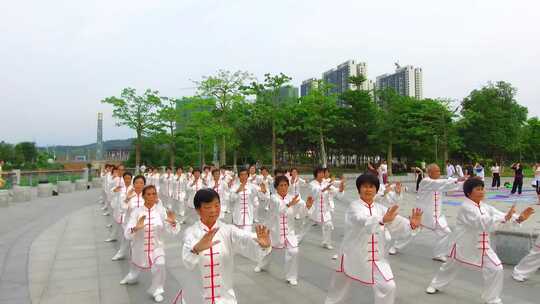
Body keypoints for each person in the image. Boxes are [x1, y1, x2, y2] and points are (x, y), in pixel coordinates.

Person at [426, 178, 535, 304]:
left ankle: (492, 299)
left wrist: (518, 219)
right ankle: (436, 284)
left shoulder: (485, 207)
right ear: (468, 193)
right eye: (478, 189)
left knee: (497, 268)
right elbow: (481, 222)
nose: (482, 191)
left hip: (482, 246)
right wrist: (505, 218)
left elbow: (499, 216)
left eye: (482, 189)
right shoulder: (466, 207)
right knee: (449, 267)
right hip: (463, 245)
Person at [324, 173, 422, 304]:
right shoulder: (354, 207)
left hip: (376, 258)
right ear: (359, 189)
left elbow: (396, 222)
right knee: (339, 288)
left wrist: (412, 224)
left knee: (388, 287)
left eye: (371, 186)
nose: (368, 189)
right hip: (353, 254)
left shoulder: (381, 208)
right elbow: (361, 220)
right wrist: (381, 220)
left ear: (376, 190)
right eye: (365, 186)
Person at [181, 189, 271, 304]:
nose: (213, 210)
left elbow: (245, 238)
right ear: (198, 210)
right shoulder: (191, 232)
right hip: (197, 297)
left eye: (217, 205)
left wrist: (263, 245)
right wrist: (197, 249)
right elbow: (187, 262)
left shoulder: (228, 230)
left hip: (224, 297)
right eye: (208, 207)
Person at [120, 185, 180, 303]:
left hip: (157, 246)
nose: (152, 196)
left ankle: (157, 290)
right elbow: (128, 233)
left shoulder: (161, 211)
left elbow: (171, 229)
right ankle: (131, 277)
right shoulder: (137, 212)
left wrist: (173, 223)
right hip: (140, 247)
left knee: (160, 264)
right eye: (148, 194)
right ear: (143, 196)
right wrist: (136, 228)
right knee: (136, 266)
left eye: (154, 194)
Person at [253, 175, 314, 285]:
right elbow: (278, 210)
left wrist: (308, 206)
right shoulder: (273, 198)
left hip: (289, 232)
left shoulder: (293, 198)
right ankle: (262, 265)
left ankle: (291, 276)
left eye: (286, 185)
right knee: (270, 251)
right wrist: (289, 204)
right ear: (276, 187)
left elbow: (302, 212)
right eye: (281, 185)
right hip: (274, 230)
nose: (284, 187)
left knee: (294, 251)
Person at [409, 164, 466, 262]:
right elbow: (440, 184)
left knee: (445, 232)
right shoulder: (425, 181)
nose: (439, 173)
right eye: (437, 171)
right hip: (422, 214)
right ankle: (396, 245)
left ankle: (439, 254)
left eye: (440, 171)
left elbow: (450, 186)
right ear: (430, 172)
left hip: (436, 215)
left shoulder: (439, 183)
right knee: (409, 232)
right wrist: (456, 180)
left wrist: (467, 182)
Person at [300, 167, 344, 250]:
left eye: (323, 173)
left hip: (325, 209)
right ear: (316, 174)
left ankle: (326, 242)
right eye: (319, 173)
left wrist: (341, 189)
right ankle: (297, 239)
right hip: (314, 209)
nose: (322, 174)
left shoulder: (326, 183)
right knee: (306, 226)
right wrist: (325, 188)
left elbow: (335, 191)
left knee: (328, 225)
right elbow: (315, 191)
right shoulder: (312, 183)